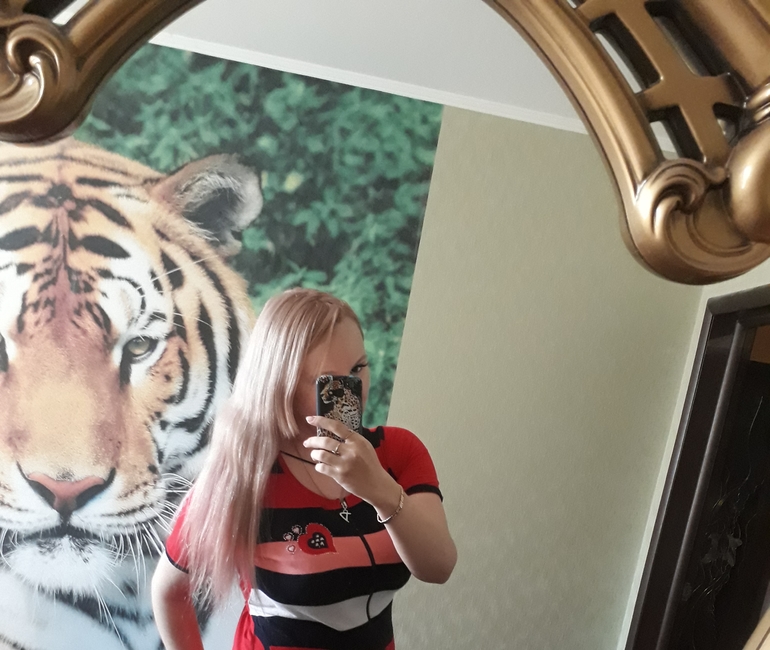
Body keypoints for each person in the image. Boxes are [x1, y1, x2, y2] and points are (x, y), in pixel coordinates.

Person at [151, 288, 457, 650]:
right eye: (328, 381)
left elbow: (438, 567)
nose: (351, 392)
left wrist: (379, 490)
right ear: (281, 383)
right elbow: (169, 592)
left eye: (358, 368)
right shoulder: (245, 472)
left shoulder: (398, 453)